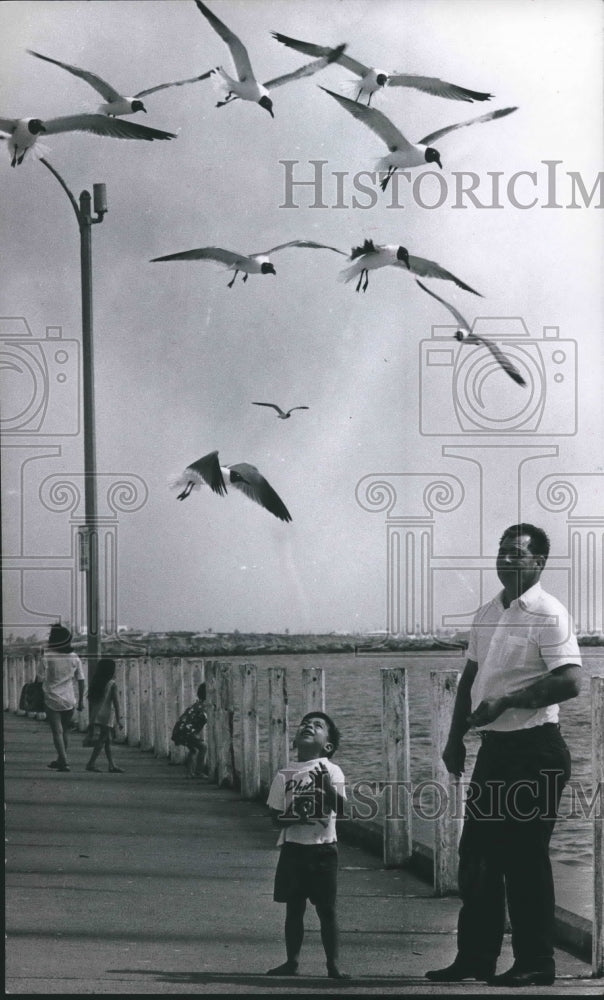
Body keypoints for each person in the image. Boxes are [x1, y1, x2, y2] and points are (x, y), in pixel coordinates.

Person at [426, 523, 582, 988]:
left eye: (517, 553)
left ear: (538, 563)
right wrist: (455, 740)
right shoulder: (488, 613)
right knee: (475, 857)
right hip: (494, 750)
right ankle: (476, 957)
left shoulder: (550, 613)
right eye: (502, 551)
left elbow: (571, 681)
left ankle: (537, 962)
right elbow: (469, 681)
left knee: (524, 860)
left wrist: (510, 701)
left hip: (536, 750)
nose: (507, 560)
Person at [266, 711, 349, 980]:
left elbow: (343, 810)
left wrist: (327, 787)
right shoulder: (285, 773)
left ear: (328, 746)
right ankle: (292, 961)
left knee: (328, 910)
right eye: (305, 724)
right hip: (293, 849)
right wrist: (296, 816)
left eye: (318, 725)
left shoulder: (332, 770)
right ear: (295, 741)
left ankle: (333, 964)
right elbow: (275, 817)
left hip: (324, 849)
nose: (308, 726)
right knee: (294, 909)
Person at [37, 623, 85, 772]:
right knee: (65, 731)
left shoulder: (47, 655)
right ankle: (60, 759)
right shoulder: (74, 657)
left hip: (52, 697)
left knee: (56, 731)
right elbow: (81, 680)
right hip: (69, 699)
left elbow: (39, 678)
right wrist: (81, 700)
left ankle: (64, 761)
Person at [85, 658, 125, 773]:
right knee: (102, 740)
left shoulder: (97, 683)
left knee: (107, 741)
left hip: (97, 714)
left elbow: (92, 701)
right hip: (107, 715)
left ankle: (112, 765)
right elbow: (116, 703)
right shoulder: (112, 684)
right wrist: (119, 719)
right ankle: (90, 763)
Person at [171, 682, 208, 777]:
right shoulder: (204, 708)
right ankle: (199, 772)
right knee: (203, 747)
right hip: (187, 731)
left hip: (181, 730)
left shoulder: (197, 705)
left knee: (194, 750)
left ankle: (189, 772)